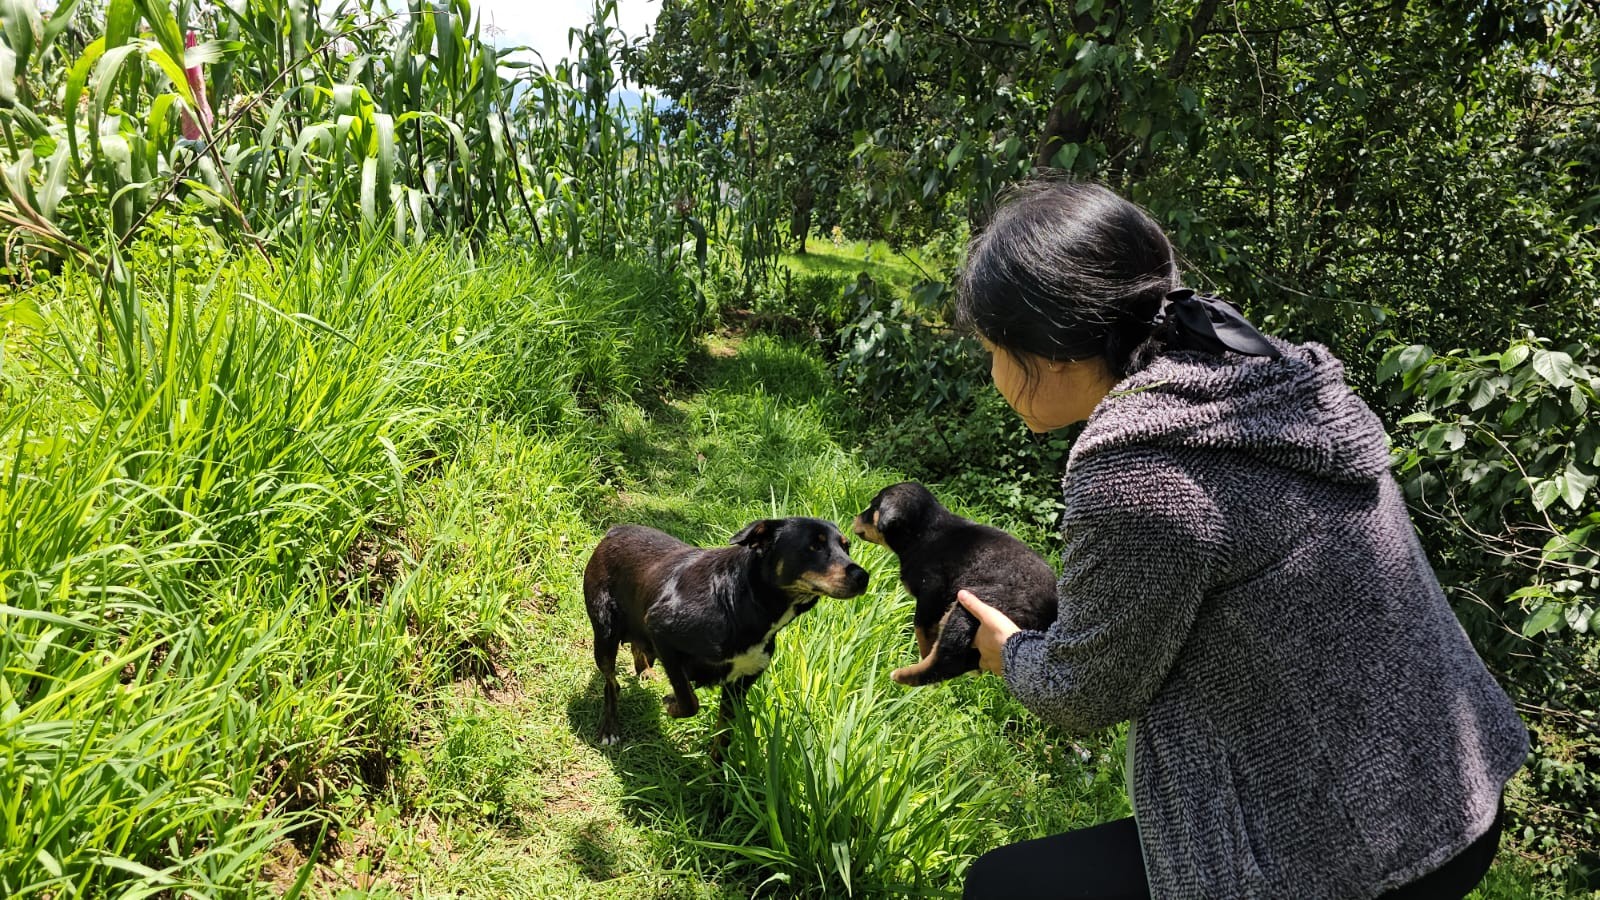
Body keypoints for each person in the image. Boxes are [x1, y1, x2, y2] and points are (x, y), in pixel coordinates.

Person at [948, 179, 1528, 900]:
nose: (994, 374)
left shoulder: (1141, 471)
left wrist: (1006, 650)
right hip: (1455, 784)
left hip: (1370, 850)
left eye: (996, 351)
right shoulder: (1262, 377)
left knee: (1002, 887)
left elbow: (1086, 694)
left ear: (1058, 352)